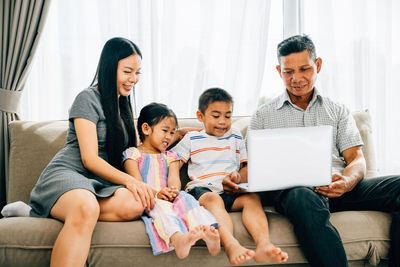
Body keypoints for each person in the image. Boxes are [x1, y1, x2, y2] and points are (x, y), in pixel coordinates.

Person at [240, 34, 400, 267]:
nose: (296, 78)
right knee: (301, 195)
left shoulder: (337, 110)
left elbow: (356, 159)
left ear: (318, 65)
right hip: (297, 193)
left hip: (339, 187)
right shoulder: (264, 115)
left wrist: (346, 182)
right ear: (279, 71)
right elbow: (249, 169)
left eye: (304, 69)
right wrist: (238, 179)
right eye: (288, 72)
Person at [27, 37, 185, 267]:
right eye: (128, 71)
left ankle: (59, 209)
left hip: (99, 183)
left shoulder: (123, 106)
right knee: (87, 207)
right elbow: (89, 158)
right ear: (110, 67)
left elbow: (142, 144)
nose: (134, 79)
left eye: (138, 73)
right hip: (70, 172)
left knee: (139, 203)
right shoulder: (87, 98)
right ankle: (58, 203)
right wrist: (133, 182)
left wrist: (178, 135)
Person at [172, 88, 288, 266]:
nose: (222, 122)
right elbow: (172, 162)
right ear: (200, 116)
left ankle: (264, 245)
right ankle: (231, 244)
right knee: (213, 200)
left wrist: (238, 176)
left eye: (227, 116)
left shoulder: (235, 135)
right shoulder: (192, 139)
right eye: (216, 116)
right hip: (203, 190)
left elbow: (245, 166)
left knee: (252, 198)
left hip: (229, 190)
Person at [122, 102, 220, 259]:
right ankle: (177, 238)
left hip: (169, 195)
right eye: (165, 131)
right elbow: (136, 182)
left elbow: (174, 180)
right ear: (146, 128)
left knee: (187, 200)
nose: (169, 136)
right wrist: (157, 193)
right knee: (161, 208)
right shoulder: (133, 154)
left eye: (172, 132)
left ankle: (207, 232)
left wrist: (173, 191)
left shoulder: (170, 156)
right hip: (149, 197)